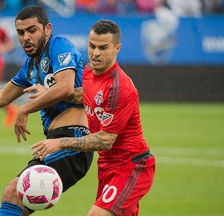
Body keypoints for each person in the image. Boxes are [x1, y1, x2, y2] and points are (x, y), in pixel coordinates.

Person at [0, 5, 93, 216]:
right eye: (20, 32)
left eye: (32, 30)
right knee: (14, 198)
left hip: (73, 142)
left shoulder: (59, 45)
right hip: (55, 142)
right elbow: (2, 96)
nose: (25, 37)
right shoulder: (30, 66)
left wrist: (25, 109)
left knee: (13, 193)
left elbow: (65, 86)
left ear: (47, 29)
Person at [31, 19, 156, 216]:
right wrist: (47, 93)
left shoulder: (119, 88)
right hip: (107, 166)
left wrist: (60, 143)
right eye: (92, 46)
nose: (95, 53)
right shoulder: (89, 71)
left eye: (103, 47)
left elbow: (105, 140)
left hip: (131, 166)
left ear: (117, 49)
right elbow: (81, 94)